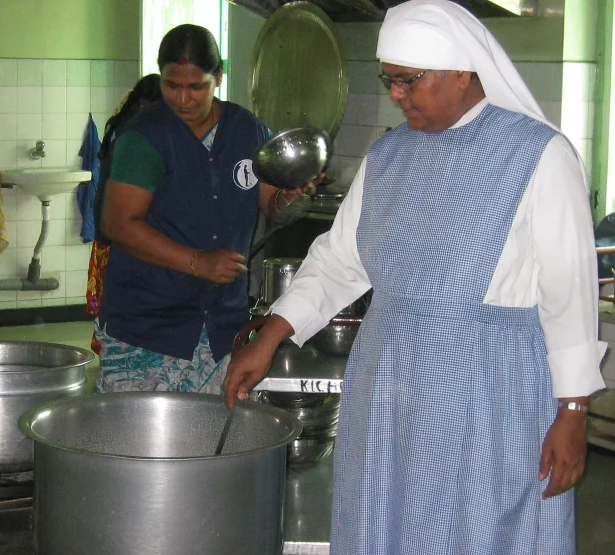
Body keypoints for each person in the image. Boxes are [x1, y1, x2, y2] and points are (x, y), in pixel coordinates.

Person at [223, 1, 606, 554]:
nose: (396, 95)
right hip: (390, 388)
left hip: (489, 389)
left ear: (462, 71)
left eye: (410, 81)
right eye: (390, 81)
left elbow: (568, 292)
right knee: (389, 520)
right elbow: (338, 260)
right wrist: (273, 333)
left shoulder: (539, 155)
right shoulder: (389, 156)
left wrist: (573, 410)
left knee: (480, 531)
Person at [94, 24, 313, 394]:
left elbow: (273, 206)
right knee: (139, 443)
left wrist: (293, 197)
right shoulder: (145, 137)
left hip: (220, 329)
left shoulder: (247, 131)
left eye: (196, 86)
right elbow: (118, 224)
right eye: (171, 85)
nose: (183, 99)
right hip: (147, 329)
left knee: (212, 442)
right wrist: (198, 262)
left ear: (219, 78)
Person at [85, 73, 162, 354]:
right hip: (122, 234)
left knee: (113, 301)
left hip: (107, 230)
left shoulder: (121, 124)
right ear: (145, 103)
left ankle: (113, 346)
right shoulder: (136, 133)